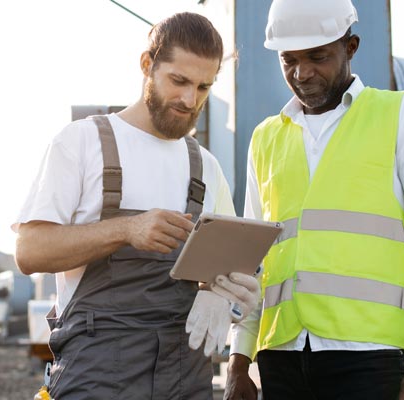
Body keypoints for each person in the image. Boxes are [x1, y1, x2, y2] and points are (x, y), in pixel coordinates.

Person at [224, 0, 404, 399]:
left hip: (370, 358)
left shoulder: (401, 117)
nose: (302, 73)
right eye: (289, 60)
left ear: (351, 47)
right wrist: (239, 359)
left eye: (318, 57)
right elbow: (252, 262)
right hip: (280, 358)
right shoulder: (265, 138)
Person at [13, 12, 260, 400]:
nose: (189, 99)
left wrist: (224, 293)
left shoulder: (206, 167)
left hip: (186, 375)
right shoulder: (82, 143)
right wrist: (127, 230)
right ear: (147, 64)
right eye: (178, 81)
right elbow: (29, 252)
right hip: (96, 370)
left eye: (203, 87)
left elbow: (229, 266)